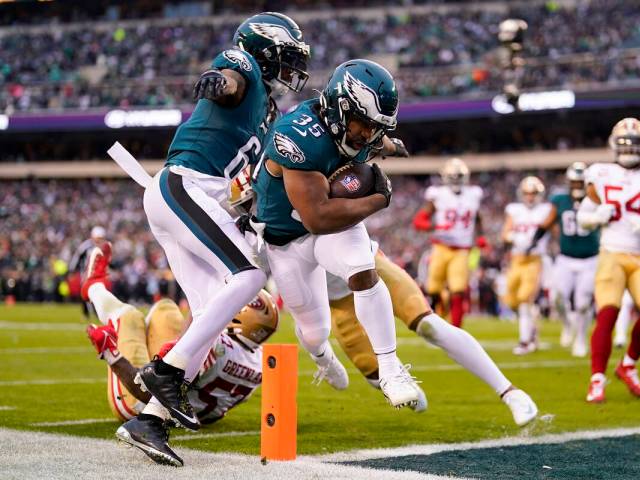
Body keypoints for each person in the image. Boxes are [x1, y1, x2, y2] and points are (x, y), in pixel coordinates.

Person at [116, 12, 310, 456]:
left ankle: (148, 423)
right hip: (182, 185)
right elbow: (229, 77)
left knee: (209, 326)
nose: (289, 70)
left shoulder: (268, 113)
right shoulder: (243, 65)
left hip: (200, 195)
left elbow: (238, 179)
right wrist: (219, 82)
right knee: (249, 278)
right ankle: (162, 373)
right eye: (284, 58)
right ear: (264, 51)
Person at [252, 59, 420, 408]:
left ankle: (390, 369)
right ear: (341, 107)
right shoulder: (297, 135)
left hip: (325, 230)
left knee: (363, 269)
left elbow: (376, 143)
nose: (367, 135)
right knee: (315, 333)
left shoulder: (358, 128)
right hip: (286, 239)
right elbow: (317, 217)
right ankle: (322, 356)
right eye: (363, 124)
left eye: (376, 127)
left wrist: (391, 146)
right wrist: (378, 198)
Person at [82, 242, 277, 466]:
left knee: (128, 317)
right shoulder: (260, 361)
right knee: (166, 310)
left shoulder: (218, 347)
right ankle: (94, 289)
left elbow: (152, 390)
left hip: (139, 402)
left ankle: (93, 288)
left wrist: (112, 355)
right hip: (196, 412)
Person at [327, 247, 538, 426]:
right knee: (375, 376)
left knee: (429, 325)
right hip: (337, 301)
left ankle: (510, 392)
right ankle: (403, 379)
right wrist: (320, 352)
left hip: (372, 270)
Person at [578, 118, 640, 403]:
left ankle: (628, 365)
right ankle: (597, 379)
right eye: (624, 144)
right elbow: (582, 218)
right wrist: (596, 217)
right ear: (613, 145)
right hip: (612, 251)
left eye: (634, 144)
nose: (629, 150)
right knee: (608, 312)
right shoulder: (600, 173)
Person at [527, 162, 599, 357]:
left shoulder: (596, 199)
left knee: (583, 302)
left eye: (580, 182)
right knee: (557, 297)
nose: (577, 186)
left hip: (591, 259)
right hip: (566, 258)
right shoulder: (560, 200)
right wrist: (533, 241)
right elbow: (547, 222)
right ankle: (567, 324)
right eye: (574, 182)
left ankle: (581, 339)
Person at [412, 158, 483, 328]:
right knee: (433, 288)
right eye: (453, 176)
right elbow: (419, 220)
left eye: (459, 176)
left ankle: (456, 329)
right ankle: (440, 317)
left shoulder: (473, 194)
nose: (456, 180)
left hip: (462, 249)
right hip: (440, 246)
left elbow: (477, 218)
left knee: (458, 288)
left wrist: (481, 236)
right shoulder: (438, 194)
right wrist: (433, 226)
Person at [500, 176, 552, 355]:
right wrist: (514, 237)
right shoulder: (515, 210)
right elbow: (505, 233)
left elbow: (553, 229)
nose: (530, 197)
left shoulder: (545, 210)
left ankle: (524, 341)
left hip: (534, 259)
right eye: (527, 193)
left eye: (533, 193)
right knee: (511, 299)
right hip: (516, 259)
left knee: (524, 298)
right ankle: (533, 323)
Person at [70, 225, 108, 318]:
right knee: (85, 293)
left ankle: (97, 312)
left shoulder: (104, 247)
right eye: (98, 238)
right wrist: (72, 270)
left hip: (99, 274)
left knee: (98, 294)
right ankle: (86, 312)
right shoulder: (86, 246)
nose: (99, 240)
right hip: (86, 274)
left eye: (101, 238)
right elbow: (77, 258)